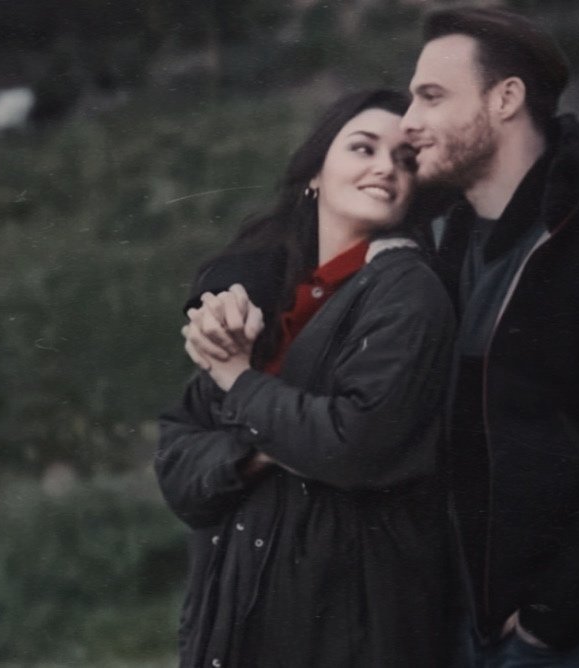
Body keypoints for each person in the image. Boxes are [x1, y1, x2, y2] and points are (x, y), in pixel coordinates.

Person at [188, 7, 579, 667]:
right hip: (447, 621)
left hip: (556, 636)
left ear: (505, 99)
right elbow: (307, 223)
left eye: (431, 96)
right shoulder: (448, 234)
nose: (409, 122)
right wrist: (227, 291)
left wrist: (554, 616)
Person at [154, 89, 459, 667]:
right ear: (316, 172)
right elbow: (177, 463)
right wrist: (266, 449)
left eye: (404, 160)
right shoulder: (272, 295)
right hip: (235, 616)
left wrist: (240, 380)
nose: (385, 168)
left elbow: (353, 443)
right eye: (363, 148)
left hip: (348, 621)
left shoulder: (407, 291)